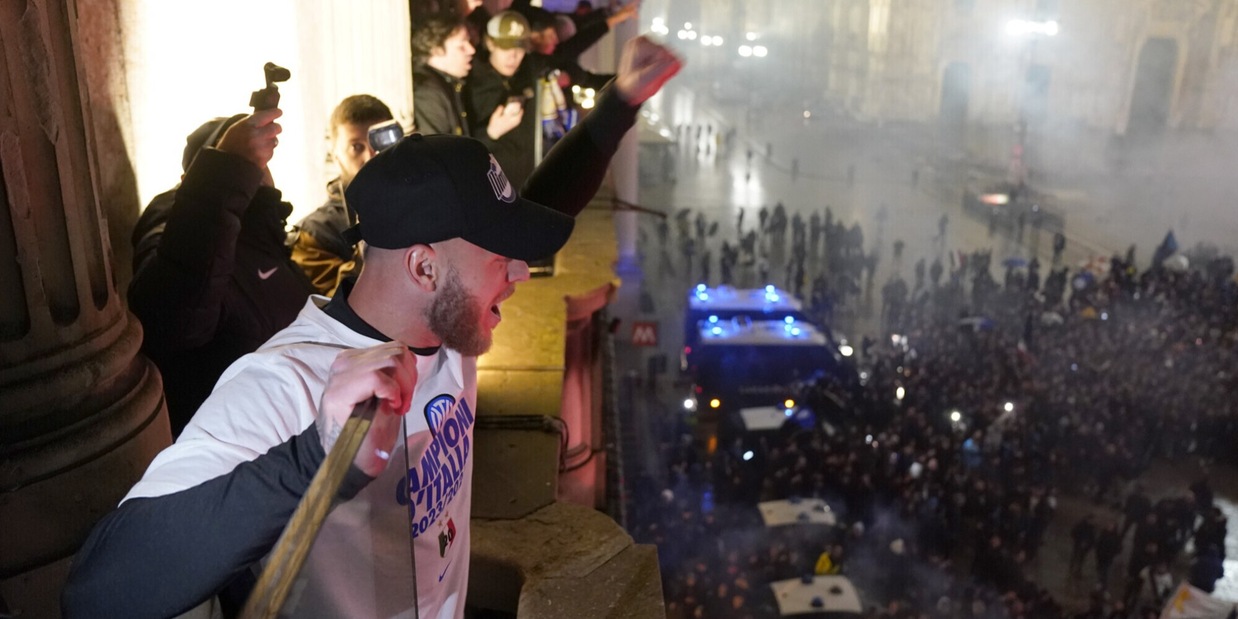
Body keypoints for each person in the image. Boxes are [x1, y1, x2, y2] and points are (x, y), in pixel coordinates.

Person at [62, 35, 682, 618]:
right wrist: (314, 457)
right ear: (423, 266)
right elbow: (100, 593)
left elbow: (548, 199)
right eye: (500, 256)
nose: (521, 271)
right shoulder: (285, 384)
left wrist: (618, 103)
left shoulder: (446, 326)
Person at [127, 109, 313, 436]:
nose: (259, 170)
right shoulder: (174, 227)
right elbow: (174, 318)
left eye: (262, 161)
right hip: (236, 453)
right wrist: (225, 169)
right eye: (247, 158)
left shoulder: (267, 244)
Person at [288, 95, 394, 295]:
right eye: (356, 147)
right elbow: (333, 306)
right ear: (336, 155)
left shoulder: (428, 201)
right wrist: (369, 243)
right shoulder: (313, 235)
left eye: (381, 143)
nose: (371, 157)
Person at [412, 12, 521, 141]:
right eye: (461, 46)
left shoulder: (448, 85)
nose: (471, 50)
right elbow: (438, 155)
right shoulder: (428, 94)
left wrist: (490, 133)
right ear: (435, 49)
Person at [466, 11, 538, 189]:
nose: (513, 56)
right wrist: (491, 133)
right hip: (489, 190)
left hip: (526, 188)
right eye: (505, 48)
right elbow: (457, 146)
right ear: (490, 43)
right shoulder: (470, 81)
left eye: (519, 48)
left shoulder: (528, 72)